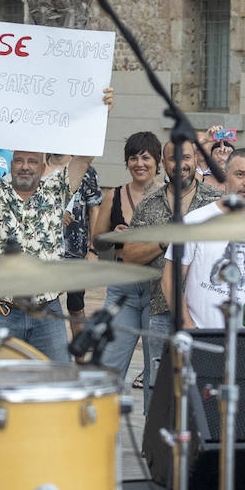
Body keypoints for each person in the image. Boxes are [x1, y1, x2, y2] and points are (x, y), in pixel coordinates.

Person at [0, 79, 114, 361]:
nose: (25, 166)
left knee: (55, 386)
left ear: (42, 166)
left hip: (47, 314)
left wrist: (101, 111)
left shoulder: (56, 191)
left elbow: (84, 158)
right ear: (11, 164)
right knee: (1, 388)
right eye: (19, 160)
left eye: (32, 161)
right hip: (3, 312)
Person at [122, 141, 224, 403]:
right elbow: (129, 256)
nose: (181, 165)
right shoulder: (149, 205)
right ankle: (152, 444)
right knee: (158, 392)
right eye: (173, 159)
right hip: (161, 310)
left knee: (204, 390)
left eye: (186, 157)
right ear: (164, 164)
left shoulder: (216, 202)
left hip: (206, 313)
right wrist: (165, 241)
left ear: (195, 159)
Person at [161, 149, 245, 330]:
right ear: (225, 176)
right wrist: (189, 326)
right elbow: (169, 280)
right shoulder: (195, 221)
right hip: (205, 337)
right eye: (240, 174)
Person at [94, 131, 163, 373]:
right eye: (133, 158)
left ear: (157, 161)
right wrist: (113, 235)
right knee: (109, 362)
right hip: (123, 288)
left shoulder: (170, 196)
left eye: (145, 158)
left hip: (158, 289)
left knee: (155, 367)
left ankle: (150, 413)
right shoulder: (114, 195)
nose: (139, 164)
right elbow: (98, 241)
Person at [58, 155, 103, 337]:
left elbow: (95, 209)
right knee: (42, 305)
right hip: (45, 252)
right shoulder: (42, 166)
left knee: (76, 307)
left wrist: (93, 248)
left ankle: (80, 359)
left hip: (76, 251)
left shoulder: (86, 170)